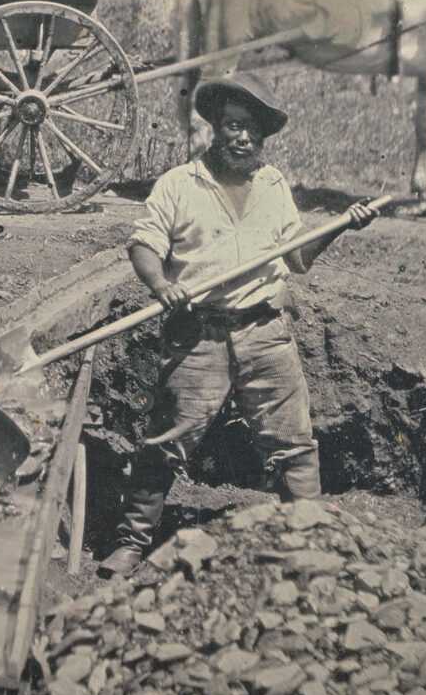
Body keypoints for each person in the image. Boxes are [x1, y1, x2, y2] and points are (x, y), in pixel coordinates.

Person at [98, 72, 379, 578]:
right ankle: (132, 542)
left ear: (262, 137)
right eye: (232, 125)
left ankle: (309, 536)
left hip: (264, 331)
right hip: (197, 332)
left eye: (252, 129)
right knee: (167, 443)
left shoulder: (273, 186)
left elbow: (296, 259)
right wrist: (162, 286)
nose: (242, 137)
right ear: (214, 128)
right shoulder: (180, 184)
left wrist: (340, 228)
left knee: (293, 443)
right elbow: (143, 244)